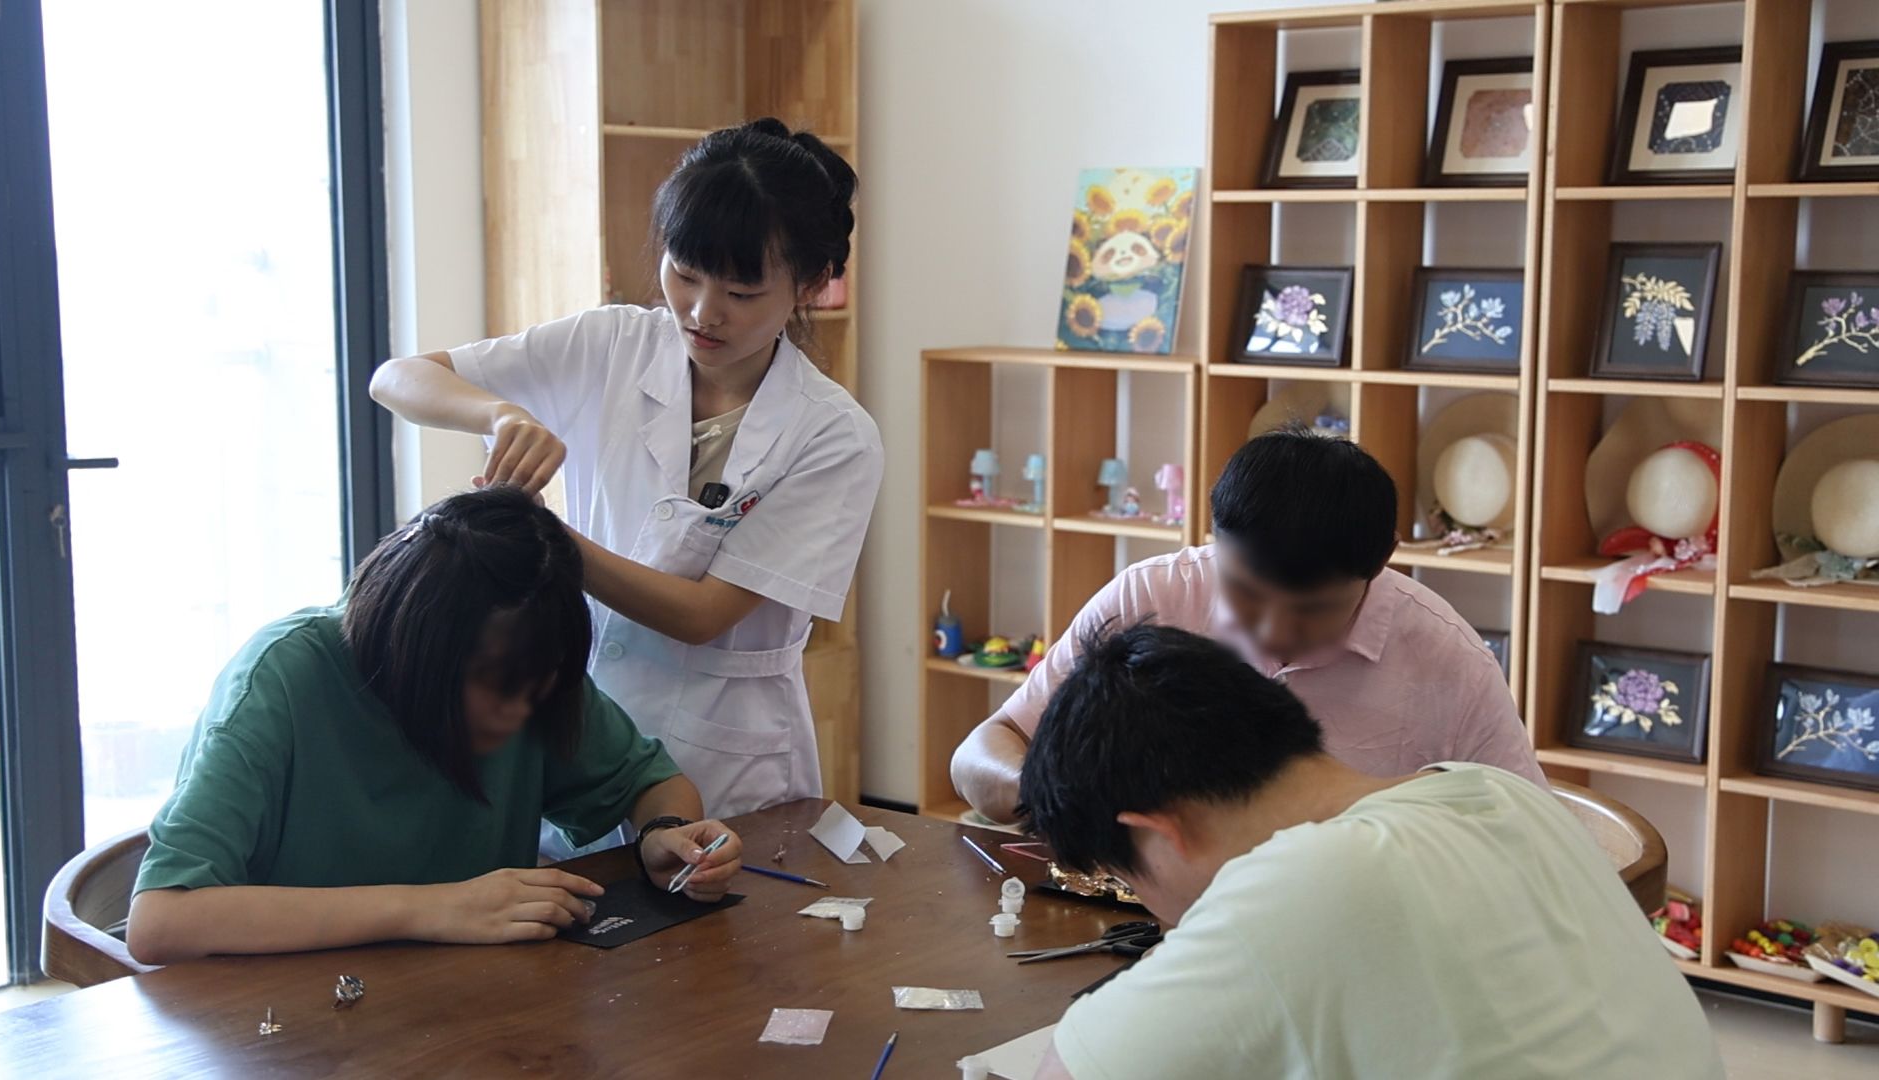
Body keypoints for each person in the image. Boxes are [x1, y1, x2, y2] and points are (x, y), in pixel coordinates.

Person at [370, 119, 883, 819]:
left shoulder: (833, 435)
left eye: (740, 293)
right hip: (580, 726)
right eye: (685, 273)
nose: (701, 312)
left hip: (727, 759)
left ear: (812, 284)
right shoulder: (611, 343)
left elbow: (702, 615)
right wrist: (501, 416)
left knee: (715, 884)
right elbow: (397, 378)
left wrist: (546, 539)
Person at [1019, 624, 1723, 1080]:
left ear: (1157, 831)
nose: (1162, 917)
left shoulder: (1295, 891)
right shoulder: (1499, 792)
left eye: (1133, 880)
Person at [126, 487, 743, 964]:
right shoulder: (282, 679)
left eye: (538, 690)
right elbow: (162, 921)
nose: (519, 713)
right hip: (296, 1018)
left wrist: (665, 836)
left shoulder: (526, 667)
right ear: (417, 648)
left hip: (472, 1006)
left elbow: (650, 781)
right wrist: (433, 908)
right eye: (497, 687)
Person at [953, 430, 1542, 823]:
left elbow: (1530, 827)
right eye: (1246, 596)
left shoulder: (1447, 657)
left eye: (1312, 610)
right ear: (1214, 537)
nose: (1272, 633)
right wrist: (1063, 796)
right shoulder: (1151, 595)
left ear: (1383, 559)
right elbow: (984, 750)